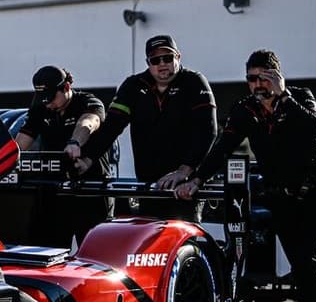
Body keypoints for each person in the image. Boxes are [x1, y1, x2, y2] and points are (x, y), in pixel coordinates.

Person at [177, 49, 316, 302]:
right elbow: (223, 146)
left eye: (264, 77)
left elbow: (313, 130)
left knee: (307, 261)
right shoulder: (245, 109)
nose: (257, 84)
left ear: (277, 75)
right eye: (252, 78)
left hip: (312, 192)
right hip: (281, 196)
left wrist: (282, 95)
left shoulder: (300, 99)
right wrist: (196, 179)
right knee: (303, 266)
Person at [77, 34, 217, 221]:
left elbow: (208, 130)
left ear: (178, 57)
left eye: (168, 58)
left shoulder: (194, 82)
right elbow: (111, 127)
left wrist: (185, 170)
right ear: (148, 62)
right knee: (150, 245)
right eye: (155, 60)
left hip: (184, 184)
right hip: (149, 184)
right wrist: (87, 158)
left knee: (184, 242)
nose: (162, 64)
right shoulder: (133, 86)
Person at [15, 66, 112, 248]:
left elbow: (89, 122)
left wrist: (75, 142)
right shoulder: (41, 107)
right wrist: (6, 158)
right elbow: (21, 141)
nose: (47, 104)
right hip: (55, 191)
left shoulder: (89, 102)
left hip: (89, 190)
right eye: (43, 99)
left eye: (51, 98)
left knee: (95, 251)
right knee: (46, 249)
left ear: (67, 87)